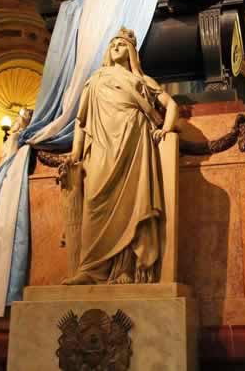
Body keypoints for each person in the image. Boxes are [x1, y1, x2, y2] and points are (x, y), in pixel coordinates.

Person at [61, 27, 178, 285]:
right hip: (101, 146)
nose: (116, 46)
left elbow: (171, 105)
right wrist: (75, 153)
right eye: (113, 43)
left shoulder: (143, 81)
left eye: (122, 44)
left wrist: (166, 129)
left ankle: (125, 268)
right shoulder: (96, 79)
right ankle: (91, 270)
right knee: (94, 200)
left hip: (133, 143)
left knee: (131, 203)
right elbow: (82, 122)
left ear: (132, 52)